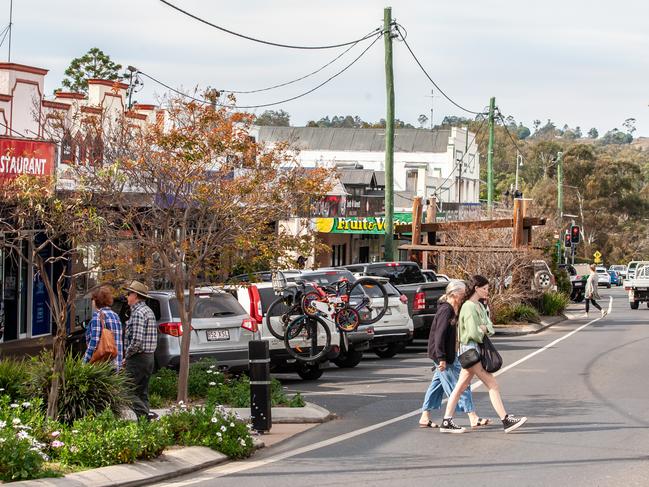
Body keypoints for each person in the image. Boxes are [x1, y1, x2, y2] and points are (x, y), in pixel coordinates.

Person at [440, 275, 528, 434]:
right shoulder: (468, 307)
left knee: (460, 387)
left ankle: (447, 420)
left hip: (472, 350)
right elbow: (474, 332)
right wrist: (483, 328)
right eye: (485, 289)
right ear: (476, 288)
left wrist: (484, 328)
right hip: (470, 350)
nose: (488, 291)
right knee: (492, 384)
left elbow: (490, 326)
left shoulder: (478, 306)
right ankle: (506, 419)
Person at [418, 280, 490, 429]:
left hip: (447, 353)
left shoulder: (453, 308)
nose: (464, 296)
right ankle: (472, 416)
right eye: (463, 294)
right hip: (443, 354)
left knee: (436, 385)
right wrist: (441, 358)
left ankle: (425, 416)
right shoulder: (446, 310)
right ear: (455, 294)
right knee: (460, 385)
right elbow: (439, 335)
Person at [123, 280, 158, 420]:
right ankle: (144, 426)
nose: (126, 296)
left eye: (128, 293)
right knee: (142, 392)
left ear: (135, 296)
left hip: (138, 357)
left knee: (126, 390)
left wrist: (128, 354)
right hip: (149, 357)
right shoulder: (148, 311)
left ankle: (145, 415)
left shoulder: (138, 313)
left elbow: (136, 341)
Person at [82, 285, 123, 371]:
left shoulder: (98, 317)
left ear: (96, 300)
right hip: (116, 364)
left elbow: (94, 343)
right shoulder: (116, 316)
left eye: (92, 299)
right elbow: (119, 342)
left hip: (102, 366)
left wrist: (83, 363)